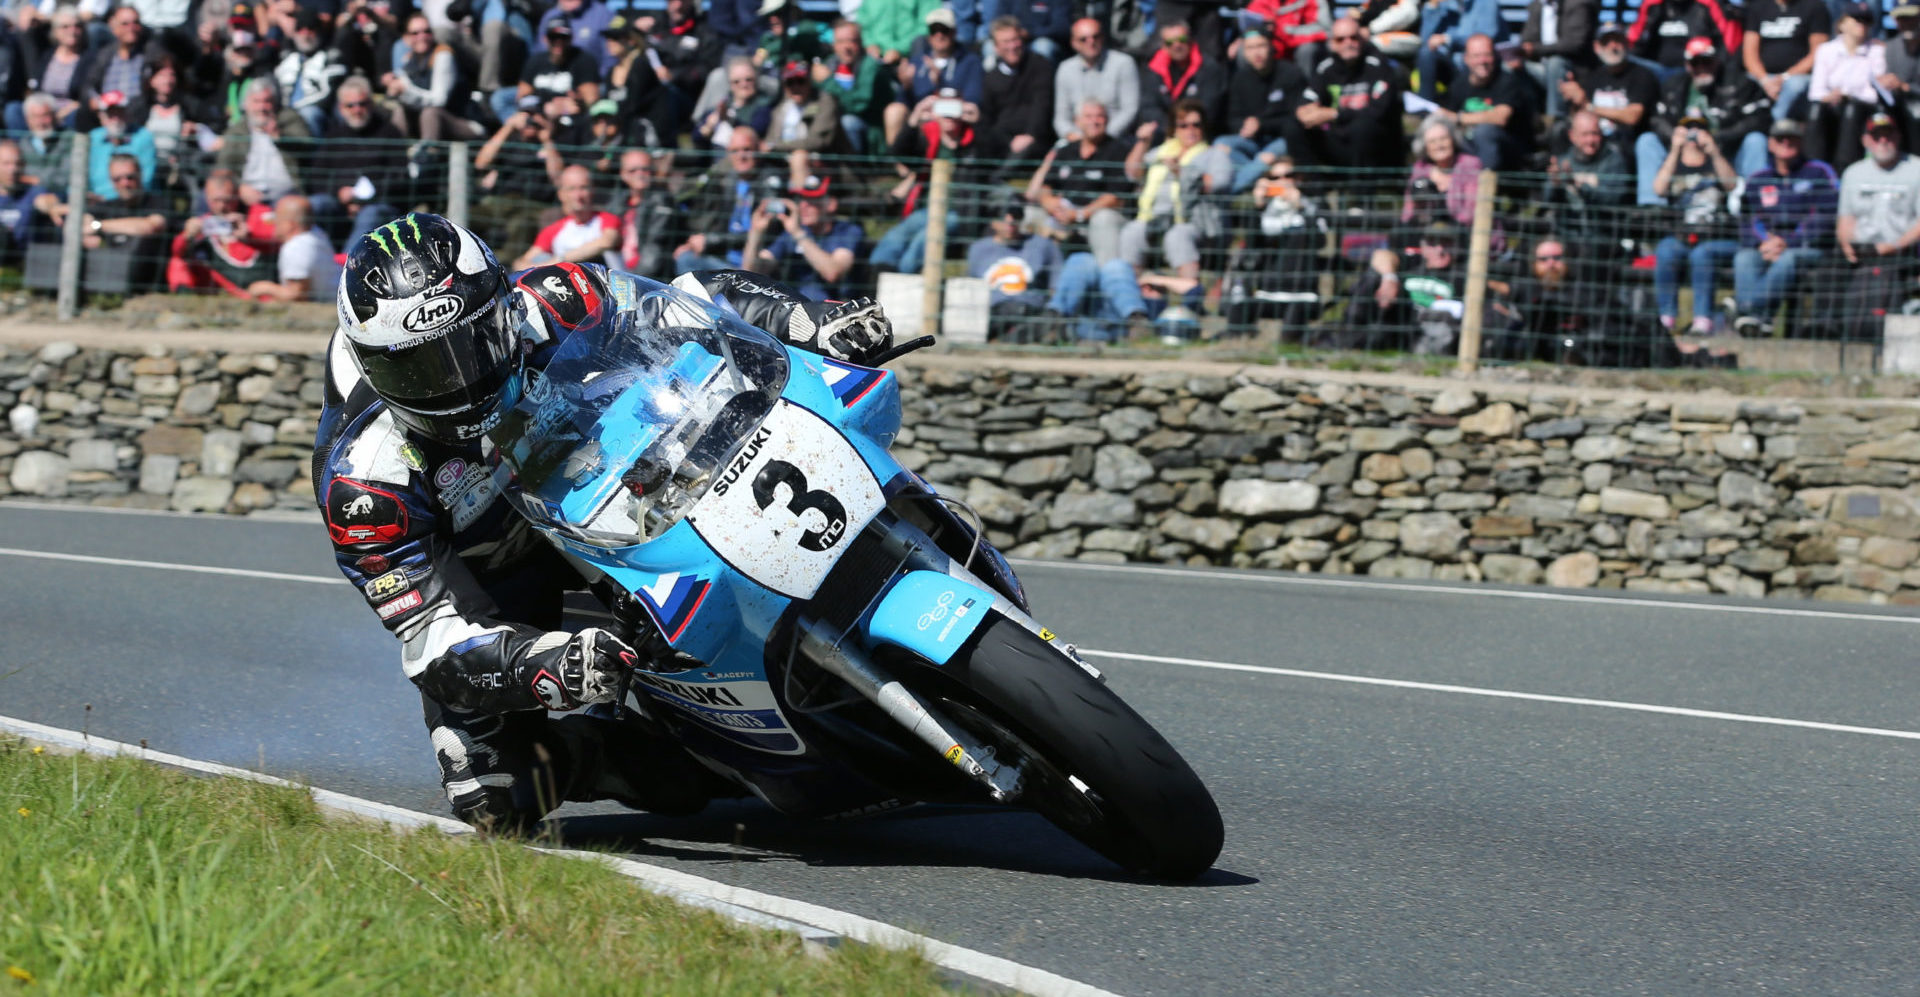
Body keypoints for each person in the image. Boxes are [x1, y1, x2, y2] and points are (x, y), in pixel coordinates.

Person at [316, 212, 894, 831]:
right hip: (496, 585)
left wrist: (807, 319)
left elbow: (692, 301)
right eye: (422, 371)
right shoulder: (365, 483)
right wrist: (546, 669)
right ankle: (647, 749)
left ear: (504, 308)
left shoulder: (555, 299)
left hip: (614, 496)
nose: (457, 383)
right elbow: (434, 645)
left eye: (472, 347)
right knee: (497, 796)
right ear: (375, 367)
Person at [1732, 118, 1840, 333]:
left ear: (1801, 142)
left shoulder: (1819, 172)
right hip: (1766, 247)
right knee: (1744, 258)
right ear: (1770, 144)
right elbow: (1747, 219)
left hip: (1809, 248)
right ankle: (1758, 321)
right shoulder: (1758, 179)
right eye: (1780, 139)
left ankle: (1745, 309)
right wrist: (1764, 243)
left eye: (1792, 138)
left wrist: (1788, 242)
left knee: (1789, 259)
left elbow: (1826, 216)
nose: (1786, 143)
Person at [1636, 37, 1771, 204]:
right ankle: (1651, 209)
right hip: (1683, 152)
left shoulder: (1740, 84)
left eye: (1706, 61)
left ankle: (1756, 206)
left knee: (1756, 140)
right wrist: (1677, 138)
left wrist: (1717, 138)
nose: (1701, 67)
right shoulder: (1672, 86)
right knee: (1647, 140)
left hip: (1727, 150)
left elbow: (1759, 119)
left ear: (1716, 61)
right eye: (1695, 63)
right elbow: (1656, 119)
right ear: (1687, 65)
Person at [1119, 97, 1229, 293]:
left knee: (1177, 236)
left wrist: (1183, 173)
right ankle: (1131, 294)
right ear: (1174, 129)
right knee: (1131, 232)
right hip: (1153, 218)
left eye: (1196, 124)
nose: (1190, 130)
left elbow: (1220, 182)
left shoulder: (1214, 154)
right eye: (1183, 125)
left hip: (1193, 221)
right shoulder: (1162, 152)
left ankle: (1190, 295)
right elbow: (1132, 172)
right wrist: (1143, 142)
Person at [1652, 116, 1742, 333]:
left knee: (1702, 254)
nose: (1692, 133)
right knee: (1665, 250)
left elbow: (1732, 185)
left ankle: (1703, 319)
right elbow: (1659, 189)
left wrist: (1714, 151)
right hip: (1682, 236)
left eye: (1699, 128)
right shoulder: (1672, 163)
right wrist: (1675, 150)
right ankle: (1667, 318)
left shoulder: (1717, 161)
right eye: (1687, 128)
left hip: (1715, 238)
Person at [1835, 111, 1920, 338]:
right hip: (1862, 252)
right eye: (1877, 135)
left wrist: (1892, 247)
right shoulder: (1853, 173)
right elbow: (1846, 219)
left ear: (1898, 137)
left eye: (1888, 135)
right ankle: (1832, 333)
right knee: (1827, 270)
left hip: (1905, 252)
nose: (1883, 141)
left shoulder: (1916, 169)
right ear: (1866, 140)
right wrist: (1848, 247)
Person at [1025, 98, 1131, 262]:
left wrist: (1080, 214)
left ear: (1107, 120)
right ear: (1077, 121)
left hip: (1095, 216)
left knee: (1103, 219)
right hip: (1064, 214)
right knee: (1031, 214)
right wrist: (1050, 203)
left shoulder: (1118, 150)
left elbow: (1115, 197)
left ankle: (1107, 277)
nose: (1094, 121)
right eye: (1088, 116)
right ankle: (1031, 275)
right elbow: (1046, 185)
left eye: (1099, 116)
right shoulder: (1066, 150)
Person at [1337, 222, 1467, 353]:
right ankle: (1350, 329)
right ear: (1423, 246)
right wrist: (1389, 278)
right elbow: (1379, 255)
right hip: (1400, 320)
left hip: (1433, 326)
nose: (1440, 249)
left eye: (1446, 243)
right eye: (1433, 243)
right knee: (1372, 277)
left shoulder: (1462, 274)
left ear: (1456, 246)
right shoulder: (1412, 264)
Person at [1294, 16, 1404, 171]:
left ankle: (1362, 190)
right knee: (1293, 126)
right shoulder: (1325, 67)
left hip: (1374, 144)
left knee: (1363, 128)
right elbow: (1310, 95)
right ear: (1332, 44)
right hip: (1337, 139)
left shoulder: (1378, 65)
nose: (1348, 43)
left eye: (1353, 37)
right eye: (1341, 39)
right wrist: (1303, 110)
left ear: (1362, 38)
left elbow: (1378, 111)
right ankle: (1314, 189)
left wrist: (1334, 114)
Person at [675, 126, 783, 273]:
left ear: (759, 149)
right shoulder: (728, 180)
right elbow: (717, 223)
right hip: (725, 258)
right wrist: (696, 243)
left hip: (756, 263)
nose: (741, 156)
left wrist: (711, 241)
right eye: (735, 151)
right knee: (685, 257)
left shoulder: (772, 182)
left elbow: (769, 231)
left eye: (747, 149)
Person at [743, 173, 864, 300]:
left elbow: (833, 272)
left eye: (812, 200)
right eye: (801, 199)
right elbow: (752, 271)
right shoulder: (793, 232)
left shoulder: (847, 231)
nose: (803, 206)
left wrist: (799, 234)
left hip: (831, 311)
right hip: (793, 308)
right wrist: (756, 233)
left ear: (831, 204)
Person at [1216, 29, 1304, 194]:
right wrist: (1244, 127)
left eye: (1261, 45)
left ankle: (1227, 193)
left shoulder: (1290, 73)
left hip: (1280, 140)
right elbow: (1232, 118)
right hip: (1251, 142)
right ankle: (1257, 175)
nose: (1257, 52)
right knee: (1221, 145)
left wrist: (1261, 125)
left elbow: (1296, 119)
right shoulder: (1239, 78)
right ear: (1244, 51)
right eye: (1250, 48)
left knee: (1268, 156)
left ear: (1271, 46)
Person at [1430, 34, 1536, 172]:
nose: (1483, 61)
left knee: (1484, 132)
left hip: (1510, 153)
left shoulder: (1508, 81)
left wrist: (1459, 118)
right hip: (1470, 146)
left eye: (1487, 55)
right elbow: (1448, 116)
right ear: (1466, 59)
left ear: (1495, 57)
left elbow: (1500, 117)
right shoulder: (1459, 85)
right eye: (1476, 56)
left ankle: (1486, 184)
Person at [967, 195, 1064, 342]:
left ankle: (1008, 340)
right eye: (1002, 216)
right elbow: (972, 292)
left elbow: (1056, 290)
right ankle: (1012, 338)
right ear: (992, 222)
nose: (1010, 221)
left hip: (1030, 311)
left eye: (1015, 214)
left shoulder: (1044, 246)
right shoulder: (978, 249)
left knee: (1050, 318)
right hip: (994, 314)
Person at [167, 169, 275, 297]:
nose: (222, 206)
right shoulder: (206, 223)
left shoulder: (259, 213)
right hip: (226, 284)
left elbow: (278, 241)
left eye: (227, 201)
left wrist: (249, 236)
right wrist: (187, 236)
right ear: (207, 198)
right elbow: (177, 252)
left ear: (237, 195)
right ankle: (183, 301)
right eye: (215, 201)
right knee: (178, 263)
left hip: (259, 281)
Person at [1562, 21, 1661, 159]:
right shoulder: (1593, 77)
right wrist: (1575, 101)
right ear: (1597, 47)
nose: (1613, 46)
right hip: (1596, 143)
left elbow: (1632, 116)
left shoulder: (1642, 75)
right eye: (1606, 42)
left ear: (1626, 43)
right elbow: (1581, 115)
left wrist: (1588, 106)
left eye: (1618, 41)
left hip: (1627, 145)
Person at [36, 151, 169, 253]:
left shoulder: (157, 201)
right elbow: (50, 205)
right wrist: (56, 209)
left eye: (130, 177)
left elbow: (151, 226)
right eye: (118, 179)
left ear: (140, 175)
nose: (125, 183)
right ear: (111, 181)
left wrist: (97, 225)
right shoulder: (109, 205)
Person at [885, 7, 982, 146]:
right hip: (920, 121)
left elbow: (973, 100)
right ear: (928, 35)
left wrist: (940, 83)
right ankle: (897, 165)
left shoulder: (970, 61)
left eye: (944, 30)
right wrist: (906, 86)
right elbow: (904, 102)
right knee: (893, 111)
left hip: (953, 123)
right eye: (933, 31)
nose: (939, 35)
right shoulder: (917, 62)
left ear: (954, 32)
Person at [1807, 3, 1886, 171]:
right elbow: (1816, 91)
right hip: (1831, 107)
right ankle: (1815, 169)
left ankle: (1845, 168)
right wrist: (1829, 96)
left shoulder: (1877, 51)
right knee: (1815, 110)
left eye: (1866, 21)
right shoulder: (1826, 50)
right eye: (1856, 20)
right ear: (1842, 23)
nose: (1861, 24)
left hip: (1862, 109)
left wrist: (1846, 94)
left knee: (1851, 109)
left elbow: (1875, 92)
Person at [384, 12, 486, 143]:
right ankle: (395, 156)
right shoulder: (409, 60)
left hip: (465, 122)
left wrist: (405, 92)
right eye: (415, 33)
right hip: (430, 122)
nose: (422, 37)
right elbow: (406, 92)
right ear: (407, 37)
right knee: (400, 110)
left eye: (426, 31)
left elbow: (439, 100)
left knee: (430, 113)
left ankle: (427, 158)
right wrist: (393, 88)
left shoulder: (443, 54)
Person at [215, 77, 310, 208]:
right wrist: (239, 187)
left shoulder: (289, 119)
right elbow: (224, 168)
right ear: (246, 104)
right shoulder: (237, 130)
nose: (262, 107)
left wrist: (280, 137)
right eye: (256, 101)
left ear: (275, 103)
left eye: (267, 101)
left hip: (288, 197)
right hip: (246, 199)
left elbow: (307, 146)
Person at [979, 15, 1054, 165]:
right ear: (996, 47)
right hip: (1003, 141)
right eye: (1006, 42)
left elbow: (1042, 106)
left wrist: (1030, 135)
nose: (1012, 46)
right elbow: (988, 118)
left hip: (1034, 138)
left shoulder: (1040, 66)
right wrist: (1008, 142)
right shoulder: (991, 77)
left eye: (1015, 40)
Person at [1053, 18, 1139, 144]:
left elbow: (1130, 110)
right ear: (1073, 43)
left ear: (1102, 38)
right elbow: (1061, 117)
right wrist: (1076, 137)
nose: (1091, 42)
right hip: (1077, 140)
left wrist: (1102, 136)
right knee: (1053, 157)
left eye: (1095, 36)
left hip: (1115, 138)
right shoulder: (1065, 69)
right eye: (1083, 39)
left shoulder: (1124, 63)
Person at [1139, 19, 1226, 140]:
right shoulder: (1153, 68)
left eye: (1182, 40)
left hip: (1201, 135)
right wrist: (1171, 128)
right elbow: (1149, 107)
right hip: (1164, 134)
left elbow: (1208, 109)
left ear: (1190, 40)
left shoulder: (1209, 68)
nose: (1177, 45)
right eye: (1170, 42)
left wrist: (1184, 128)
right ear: (1163, 46)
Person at [1744, 0, 1830, 121]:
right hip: (1764, 77)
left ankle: (1775, 127)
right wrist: (1765, 80)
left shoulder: (1814, 6)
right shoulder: (1757, 6)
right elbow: (1749, 55)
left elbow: (1818, 53)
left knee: (1795, 86)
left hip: (1797, 76)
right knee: (1747, 84)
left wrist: (1785, 77)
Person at [816, 19, 891, 153]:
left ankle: (855, 170)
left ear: (861, 43)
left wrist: (828, 80)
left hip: (871, 135)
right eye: (840, 42)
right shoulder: (831, 63)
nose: (846, 47)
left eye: (851, 41)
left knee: (848, 122)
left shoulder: (870, 66)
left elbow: (858, 105)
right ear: (833, 45)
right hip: (833, 125)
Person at [246, 194, 338, 302]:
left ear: (289, 224)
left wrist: (266, 288)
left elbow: (297, 295)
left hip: (327, 306)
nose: (273, 224)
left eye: (277, 219)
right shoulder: (315, 233)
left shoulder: (296, 248)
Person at [272, 8, 346, 136]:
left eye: (311, 29)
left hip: (314, 115)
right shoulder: (286, 60)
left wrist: (295, 110)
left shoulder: (331, 58)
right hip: (285, 112)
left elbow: (327, 96)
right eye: (300, 29)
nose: (305, 34)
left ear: (318, 32)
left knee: (309, 114)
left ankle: (313, 155)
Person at [1414, 0, 1503, 103]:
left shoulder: (1486, 3)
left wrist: (1448, 38)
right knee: (1426, 53)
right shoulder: (1444, 3)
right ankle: (1424, 105)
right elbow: (1427, 40)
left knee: (1476, 55)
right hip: (1451, 64)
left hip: (1477, 64)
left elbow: (1486, 36)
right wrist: (1433, 7)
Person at [1628, 0, 1744, 77]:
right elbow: (1633, 41)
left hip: (1699, 71)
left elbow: (1731, 43)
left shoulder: (1709, 3)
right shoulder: (1652, 5)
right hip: (1658, 71)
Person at [1522, 0, 1598, 117]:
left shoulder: (1578, 4)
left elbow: (1574, 44)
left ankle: (1556, 118)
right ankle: (1528, 118)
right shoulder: (1536, 6)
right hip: (1541, 67)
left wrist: (1536, 49)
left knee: (1555, 63)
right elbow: (1526, 39)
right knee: (1512, 66)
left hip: (1573, 68)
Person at [608, 149, 676, 277]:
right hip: (616, 269)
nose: (640, 174)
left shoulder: (661, 202)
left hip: (643, 276)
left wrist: (631, 279)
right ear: (623, 174)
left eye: (645, 169)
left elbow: (654, 249)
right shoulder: (617, 202)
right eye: (632, 170)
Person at [758, 59, 849, 154]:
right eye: (790, 82)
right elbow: (770, 140)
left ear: (809, 82)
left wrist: (776, 146)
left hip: (823, 163)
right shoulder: (781, 108)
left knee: (799, 157)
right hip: (782, 162)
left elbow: (817, 141)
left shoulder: (825, 102)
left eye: (800, 81)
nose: (795, 87)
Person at [85, 89, 153, 200]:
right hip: (96, 203)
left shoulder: (143, 137)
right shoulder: (93, 138)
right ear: (101, 117)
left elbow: (146, 180)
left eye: (119, 112)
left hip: (132, 201)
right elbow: (80, 175)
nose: (115, 119)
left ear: (128, 114)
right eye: (110, 113)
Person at [694, 55, 773, 150]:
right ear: (730, 84)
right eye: (736, 81)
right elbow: (695, 137)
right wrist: (708, 127)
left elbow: (754, 132)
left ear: (756, 80)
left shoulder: (762, 107)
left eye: (749, 80)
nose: (743, 84)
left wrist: (728, 119)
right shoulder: (723, 104)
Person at [1882, 3, 1920, 153]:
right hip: (1898, 104)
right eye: (1901, 19)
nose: (1906, 23)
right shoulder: (1890, 46)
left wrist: (1906, 87)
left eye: (1910, 18)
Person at [0, 140, 45, 265]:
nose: (13, 169)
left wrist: (52, 206)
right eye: (6, 164)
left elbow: (45, 201)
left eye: (17, 164)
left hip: (24, 263)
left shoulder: (32, 192)